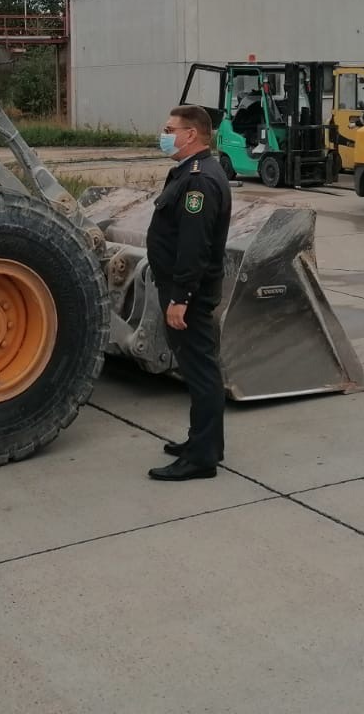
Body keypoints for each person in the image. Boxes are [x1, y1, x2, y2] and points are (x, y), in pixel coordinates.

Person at [144, 104, 232, 481]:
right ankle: (202, 441)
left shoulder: (198, 180)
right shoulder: (190, 173)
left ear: (191, 135)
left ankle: (202, 457)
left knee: (201, 371)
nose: (164, 135)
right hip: (184, 289)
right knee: (198, 367)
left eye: (170, 129)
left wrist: (180, 298)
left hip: (189, 294)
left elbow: (194, 246)